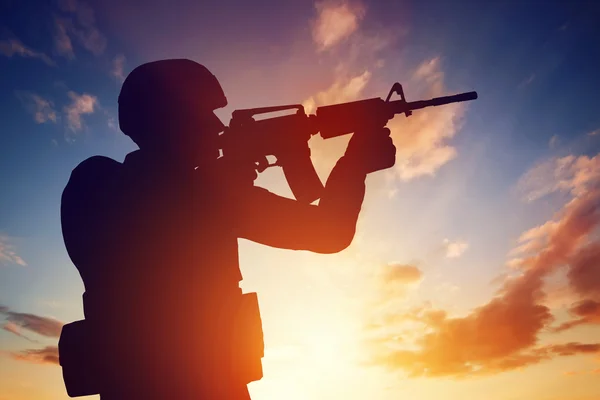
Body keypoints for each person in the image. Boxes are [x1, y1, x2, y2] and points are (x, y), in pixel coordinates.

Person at [59, 59, 396, 399]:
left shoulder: (96, 185)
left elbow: (169, 213)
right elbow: (329, 231)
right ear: (169, 121)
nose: (217, 125)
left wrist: (232, 173)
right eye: (204, 114)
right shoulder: (115, 184)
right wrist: (355, 163)